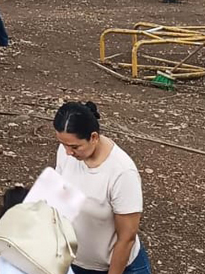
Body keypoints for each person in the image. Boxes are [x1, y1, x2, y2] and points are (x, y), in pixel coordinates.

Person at [53, 102, 152, 274]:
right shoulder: (66, 153)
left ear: (93, 137)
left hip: (118, 267)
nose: (68, 152)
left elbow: (126, 237)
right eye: (63, 144)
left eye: (75, 147)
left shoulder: (121, 172)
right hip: (75, 262)